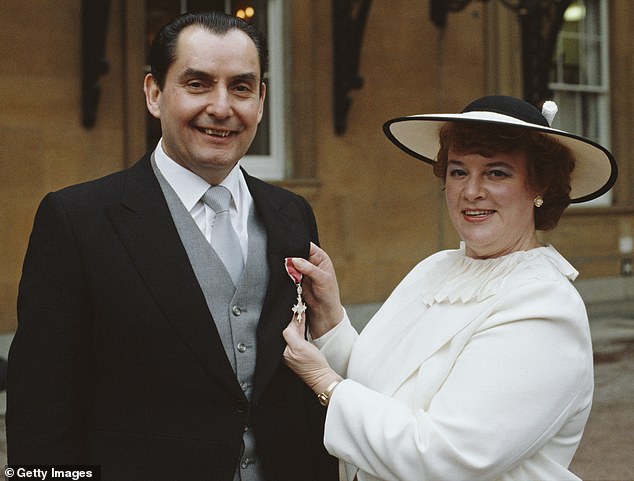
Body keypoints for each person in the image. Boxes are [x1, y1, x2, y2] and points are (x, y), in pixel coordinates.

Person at [7, 11, 337, 481]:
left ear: (261, 100)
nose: (222, 107)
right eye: (198, 84)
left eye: (241, 87)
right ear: (155, 94)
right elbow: (42, 411)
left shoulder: (291, 215)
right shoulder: (77, 221)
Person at [282, 95, 618, 481]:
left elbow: (447, 459)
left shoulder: (545, 305)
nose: (471, 191)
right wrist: (329, 318)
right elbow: (382, 389)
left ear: (538, 186)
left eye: (496, 173)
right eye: (458, 172)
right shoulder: (437, 267)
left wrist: (325, 385)